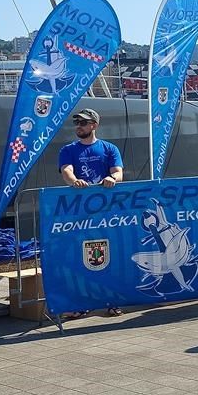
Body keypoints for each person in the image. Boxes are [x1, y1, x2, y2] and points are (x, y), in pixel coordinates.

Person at [59, 108, 124, 317]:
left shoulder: (109, 148)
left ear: (94, 125)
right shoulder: (68, 149)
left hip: (106, 214)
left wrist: (112, 179)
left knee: (111, 256)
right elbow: (66, 171)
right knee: (81, 257)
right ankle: (82, 303)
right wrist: (74, 181)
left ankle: (113, 300)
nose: (78, 126)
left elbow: (118, 172)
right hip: (80, 215)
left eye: (83, 123)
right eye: (76, 123)